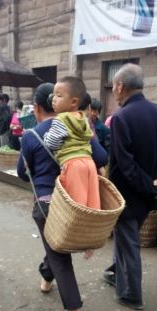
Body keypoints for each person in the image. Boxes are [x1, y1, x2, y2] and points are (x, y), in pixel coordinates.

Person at [17, 83, 108, 311]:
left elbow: (22, 174)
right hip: (75, 198)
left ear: (36, 108)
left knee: (58, 251)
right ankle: (47, 278)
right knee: (54, 243)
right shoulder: (80, 125)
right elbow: (101, 158)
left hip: (47, 202)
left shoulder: (30, 136)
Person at [103, 63, 157, 310]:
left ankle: (131, 294)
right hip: (145, 196)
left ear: (120, 85)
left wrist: (153, 187)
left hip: (127, 195)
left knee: (129, 242)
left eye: (114, 88)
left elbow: (126, 166)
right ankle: (114, 273)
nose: (114, 94)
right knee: (126, 239)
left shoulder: (120, 118)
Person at [43, 76, 101, 211]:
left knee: (76, 208)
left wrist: (46, 135)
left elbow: (51, 143)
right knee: (92, 205)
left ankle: (77, 231)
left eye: (59, 96)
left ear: (74, 101)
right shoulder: (83, 118)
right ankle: (92, 229)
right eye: (54, 95)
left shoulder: (61, 119)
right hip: (89, 163)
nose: (54, 99)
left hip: (72, 164)